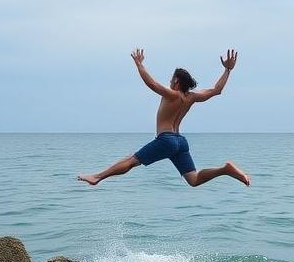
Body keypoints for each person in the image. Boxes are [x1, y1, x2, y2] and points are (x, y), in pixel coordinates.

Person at [77, 49, 251, 188]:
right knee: (194, 179)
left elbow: (152, 84)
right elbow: (216, 90)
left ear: (176, 81)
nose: (169, 82)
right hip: (180, 142)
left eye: (171, 79)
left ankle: (97, 177)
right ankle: (224, 170)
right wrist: (227, 70)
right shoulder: (191, 97)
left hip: (166, 140)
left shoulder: (172, 94)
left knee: (131, 161)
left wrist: (139, 65)